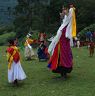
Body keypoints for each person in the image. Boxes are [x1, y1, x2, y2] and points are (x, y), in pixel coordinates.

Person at [48, 5, 76, 79]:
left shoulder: (69, 19)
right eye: (62, 9)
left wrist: (71, 9)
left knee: (64, 58)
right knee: (59, 58)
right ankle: (62, 74)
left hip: (64, 45)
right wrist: (62, 16)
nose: (63, 11)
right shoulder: (65, 22)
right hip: (60, 44)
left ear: (68, 10)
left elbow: (71, 12)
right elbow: (63, 21)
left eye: (65, 9)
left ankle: (64, 74)